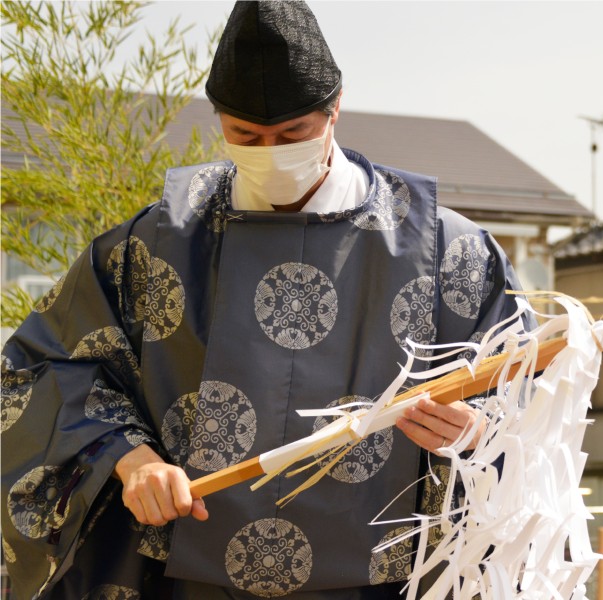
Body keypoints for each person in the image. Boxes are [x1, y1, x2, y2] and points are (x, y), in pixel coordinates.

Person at [0, 2, 525, 597]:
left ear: (335, 109)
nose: (271, 150)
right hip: (190, 578)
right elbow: (38, 372)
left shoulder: (447, 251)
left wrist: (480, 434)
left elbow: (528, 401)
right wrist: (130, 459)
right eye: (246, 136)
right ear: (219, 118)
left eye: (293, 133)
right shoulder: (154, 244)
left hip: (382, 581)